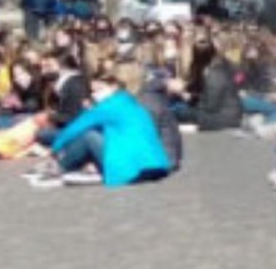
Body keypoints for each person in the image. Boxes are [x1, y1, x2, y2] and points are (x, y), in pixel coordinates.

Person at [29, 65, 173, 189]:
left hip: (129, 169)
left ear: (113, 87)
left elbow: (75, 128)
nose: (94, 95)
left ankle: (60, 165)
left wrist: (54, 148)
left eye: (98, 90)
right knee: (94, 135)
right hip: (155, 165)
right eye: (92, 92)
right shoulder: (130, 102)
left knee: (88, 136)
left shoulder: (107, 106)